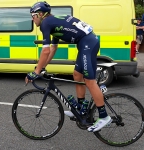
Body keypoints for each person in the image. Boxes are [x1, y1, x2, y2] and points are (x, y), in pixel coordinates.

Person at [25, 1, 112, 132]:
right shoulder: (52, 22)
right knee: (77, 74)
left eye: (33, 16)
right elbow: (53, 49)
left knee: (90, 81)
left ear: (41, 14)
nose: (33, 19)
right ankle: (81, 108)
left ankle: (104, 116)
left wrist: (36, 71)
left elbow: (45, 51)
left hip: (88, 42)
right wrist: (43, 67)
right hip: (85, 43)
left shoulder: (45, 24)